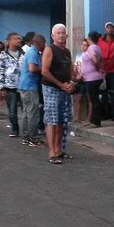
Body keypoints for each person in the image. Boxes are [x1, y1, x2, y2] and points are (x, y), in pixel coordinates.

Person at [41, 23, 75, 164]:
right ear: (53, 36)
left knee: (62, 120)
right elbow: (44, 71)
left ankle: (59, 149)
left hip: (64, 90)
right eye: (58, 33)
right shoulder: (49, 49)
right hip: (51, 89)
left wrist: (72, 83)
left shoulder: (66, 52)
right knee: (52, 120)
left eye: (63, 33)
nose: (61, 35)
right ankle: (52, 152)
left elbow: (71, 71)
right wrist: (60, 84)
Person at [18, 34, 46, 147]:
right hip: (30, 86)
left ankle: (26, 137)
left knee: (26, 113)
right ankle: (33, 138)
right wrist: (43, 68)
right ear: (39, 43)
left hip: (25, 85)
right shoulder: (33, 53)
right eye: (44, 44)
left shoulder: (31, 52)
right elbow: (32, 68)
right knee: (33, 113)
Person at [0, 32, 24, 137]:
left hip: (23, 87)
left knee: (25, 110)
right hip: (9, 87)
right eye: (16, 38)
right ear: (10, 41)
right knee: (12, 110)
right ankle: (14, 129)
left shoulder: (24, 54)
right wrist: (1, 87)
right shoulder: (3, 56)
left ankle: (27, 130)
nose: (19, 40)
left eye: (19, 38)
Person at [81, 31, 105, 128]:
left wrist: (97, 67)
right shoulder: (97, 47)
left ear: (89, 38)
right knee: (94, 99)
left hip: (92, 78)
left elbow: (95, 60)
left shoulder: (91, 48)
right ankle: (95, 119)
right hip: (92, 77)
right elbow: (101, 59)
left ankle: (96, 120)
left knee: (93, 99)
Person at [72, 39, 89, 123]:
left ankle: (87, 117)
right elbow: (75, 65)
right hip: (79, 80)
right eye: (82, 45)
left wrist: (80, 75)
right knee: (77, 98)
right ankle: (77, 117)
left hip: (86, 79)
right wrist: (75, 75)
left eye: (85, 45)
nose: (83, 47)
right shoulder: (79, 55)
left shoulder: (89, 56)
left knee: (87, 99)